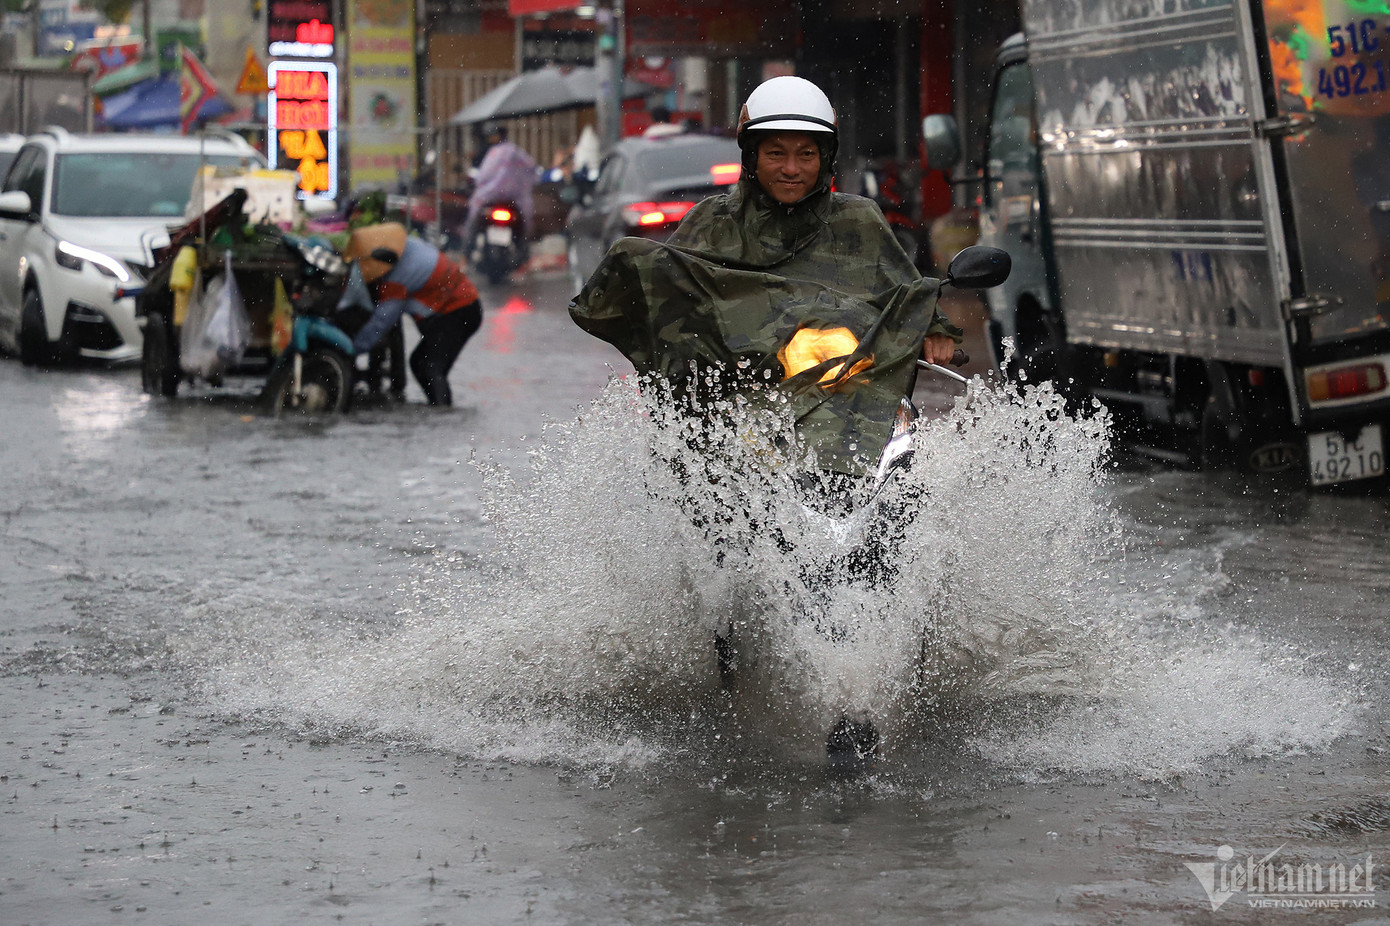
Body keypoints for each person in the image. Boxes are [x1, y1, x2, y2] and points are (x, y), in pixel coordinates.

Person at [568, 75, 962, 475]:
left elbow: (906, 288)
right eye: (776, 154)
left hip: (845, 399)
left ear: (825, 157)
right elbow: (673, 293)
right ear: (752, 156)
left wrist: (935, 328)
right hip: (739, 408)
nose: (792, 169)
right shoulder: (713, 220)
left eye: (806, 155)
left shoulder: (858, 219)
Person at [342, 223, 484, 407]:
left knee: (429, 367)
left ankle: (443, 415)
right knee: (421, 363)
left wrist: (350, 350)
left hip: (458, 311)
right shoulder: (409, 245)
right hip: (464, 305)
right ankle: (439, 409)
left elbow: (380, 324)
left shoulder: (397, 279)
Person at [459, 123, 537, 258]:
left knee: (473, 217)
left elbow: (484, 175)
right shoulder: (513, 151)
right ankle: (523, 253)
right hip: (512, 197)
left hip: (491, 196)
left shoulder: (495, 153)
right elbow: (531, 169)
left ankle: (466, 253)